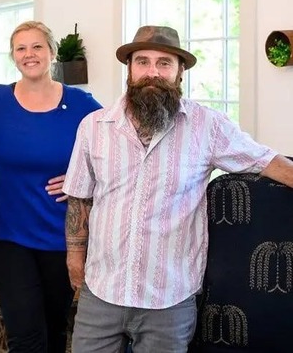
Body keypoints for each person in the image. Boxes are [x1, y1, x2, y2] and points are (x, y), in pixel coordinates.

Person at [62, 25, 293, 352]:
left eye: (164, 63)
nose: (152, 72)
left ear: (180, 72)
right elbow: (80, 197)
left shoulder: (208, 126)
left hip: (169, 299)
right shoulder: (94, 126)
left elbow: (265, 160)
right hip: (102, 290)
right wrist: (75, 256)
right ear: (129, 69)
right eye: (142, 61)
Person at [0, 21, 102, 352]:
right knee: (25, 334)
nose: (29, 54)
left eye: (37, 47)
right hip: (8, 236)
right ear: (13, 56)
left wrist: (85, 181)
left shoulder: (82, 104)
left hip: (61, 237)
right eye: (21, 48)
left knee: (54, 329)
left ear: (51, 53)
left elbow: (115, 155)